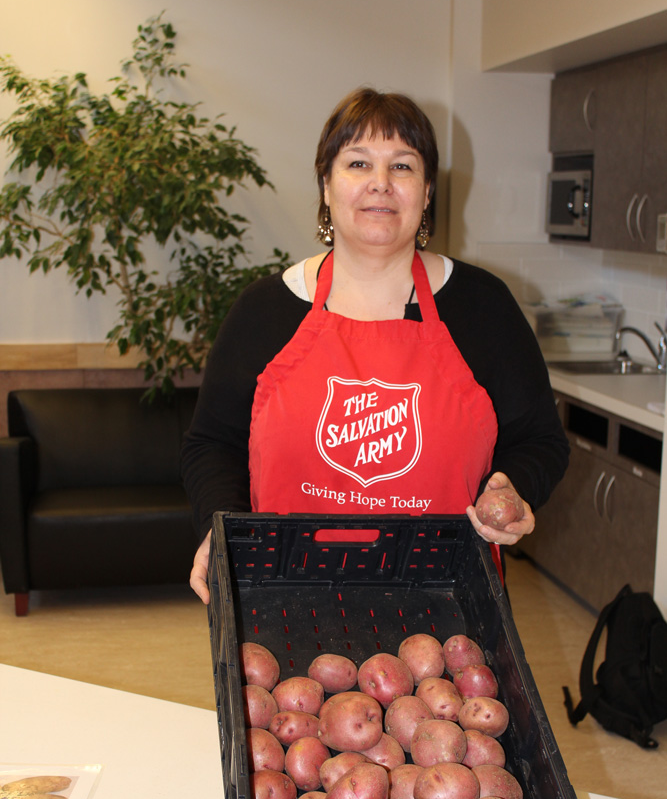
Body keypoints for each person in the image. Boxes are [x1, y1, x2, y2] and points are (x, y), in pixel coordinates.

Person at [182, 87, 569, 604]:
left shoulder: (482, 307)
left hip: (446, 606)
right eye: (358, 163)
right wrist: (219, 528)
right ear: (326, 184)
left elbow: (541, 440)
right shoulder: (266, 310)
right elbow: (211, 444)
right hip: (285, 598)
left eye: (403, 167)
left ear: (427, 191)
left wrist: (512, 487)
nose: (380, 185)